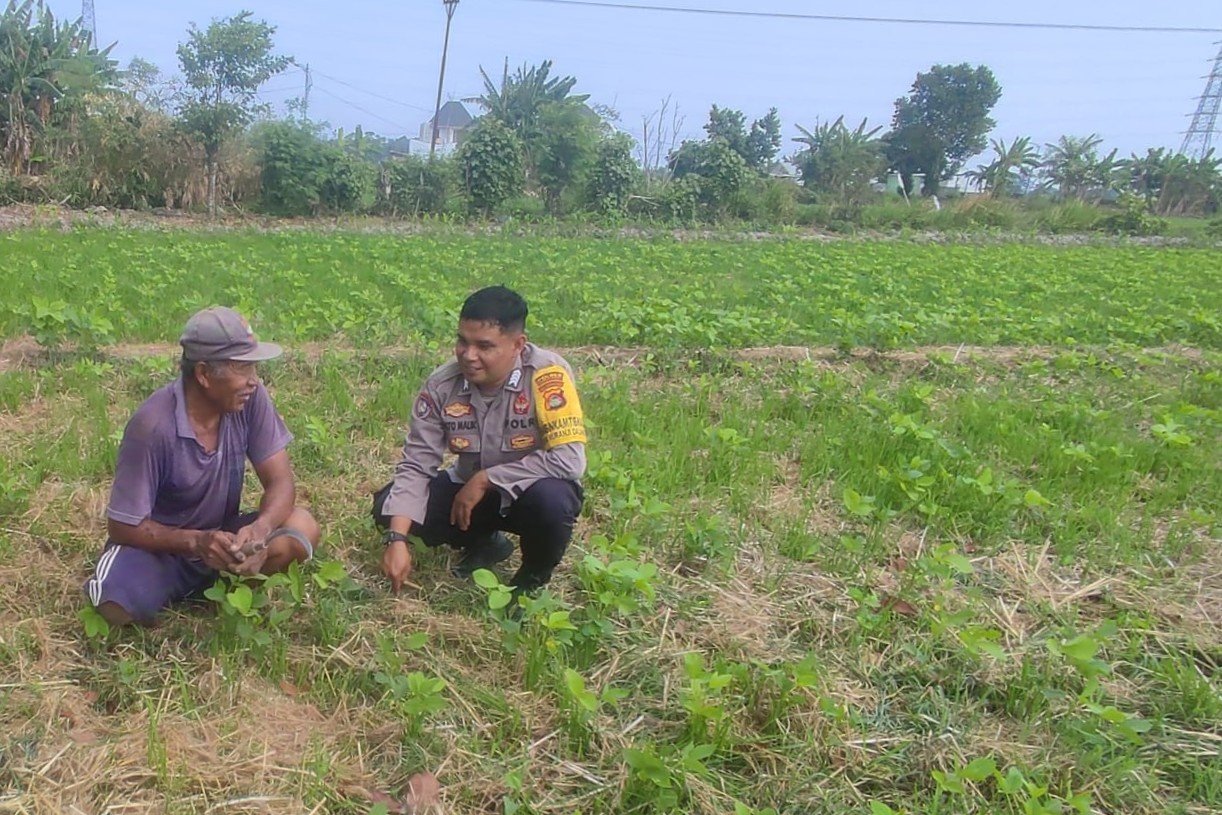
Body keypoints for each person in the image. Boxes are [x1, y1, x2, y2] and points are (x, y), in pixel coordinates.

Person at [84, 307, 321, 626]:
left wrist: (260, 531)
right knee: (114, 603)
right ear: (204, 374)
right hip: (163, 551)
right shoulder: (152, 426)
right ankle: (178, 588)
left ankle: (224, 582)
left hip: (224, 544)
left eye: (254, 367)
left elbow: (281, 481)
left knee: (302, 528)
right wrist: (196, 542)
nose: (253, 380)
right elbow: (123, 526)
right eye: (242, 367)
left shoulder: (250, 399)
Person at [374, 286, 586, 595]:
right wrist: (397, 540)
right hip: (469, 495)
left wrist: (488, 479)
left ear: (518, 345)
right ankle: (486, 543)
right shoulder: (442, 385)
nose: (468, 355)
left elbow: (569, 460)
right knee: (389, 507)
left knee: (553, 501)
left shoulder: (547, 376)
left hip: (529, 493)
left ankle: (530, 582)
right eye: (462, 341)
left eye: (484, 346)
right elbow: (417, 465)